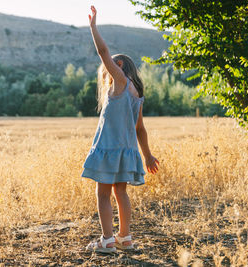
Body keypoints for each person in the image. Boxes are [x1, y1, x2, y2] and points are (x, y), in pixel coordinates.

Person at [81, 6, 159, 254]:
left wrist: (93, 27)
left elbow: (103, 52)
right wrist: (147, 156)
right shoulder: (137, 95)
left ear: (120, 65)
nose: (107, 72)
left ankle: (106, 241)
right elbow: (140, 129)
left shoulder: (121, 82)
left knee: (102, 194)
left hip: (109, 149)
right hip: (127, 151)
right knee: (121, 192)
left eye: (110, 67)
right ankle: (125, 237)